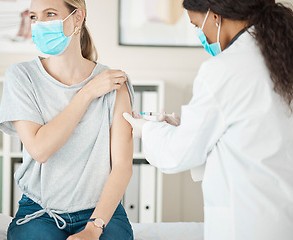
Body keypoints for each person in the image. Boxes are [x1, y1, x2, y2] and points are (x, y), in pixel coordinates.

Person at [123, 0, 293, 239]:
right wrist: (189, 129)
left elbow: (179, 153)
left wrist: (149, 131)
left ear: (214, 16)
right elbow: (253, 140)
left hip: (248, 224)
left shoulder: (225, 69)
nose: (200, 35)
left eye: (196, 25)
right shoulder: (281, 57)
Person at [0, 0, 134, 239]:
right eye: (34, 17)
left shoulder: (113, 83)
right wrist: (87, 93)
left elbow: (122, 166)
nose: (40, 24)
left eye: (50, 14)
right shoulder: (21, 76)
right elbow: (40, 149)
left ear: (77, 18)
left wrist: (94, 228)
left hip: (101, 211)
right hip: (40, 210)